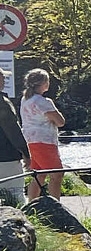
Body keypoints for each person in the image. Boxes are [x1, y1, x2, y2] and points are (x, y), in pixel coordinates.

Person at [21, 69, 65, 201]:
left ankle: (32, 203)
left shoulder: (25, 99)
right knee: (57, 174)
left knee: (39, 174)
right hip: (44, 141)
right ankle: (55, 205)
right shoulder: (43, 101)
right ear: (44, 83)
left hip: (30, 140)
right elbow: (60, 122)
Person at [0, 86, 27, 206]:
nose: (4, 80)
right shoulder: (2, 103)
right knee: (14, 195)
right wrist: (26, 152)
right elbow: (13, 130)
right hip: (6, 156)